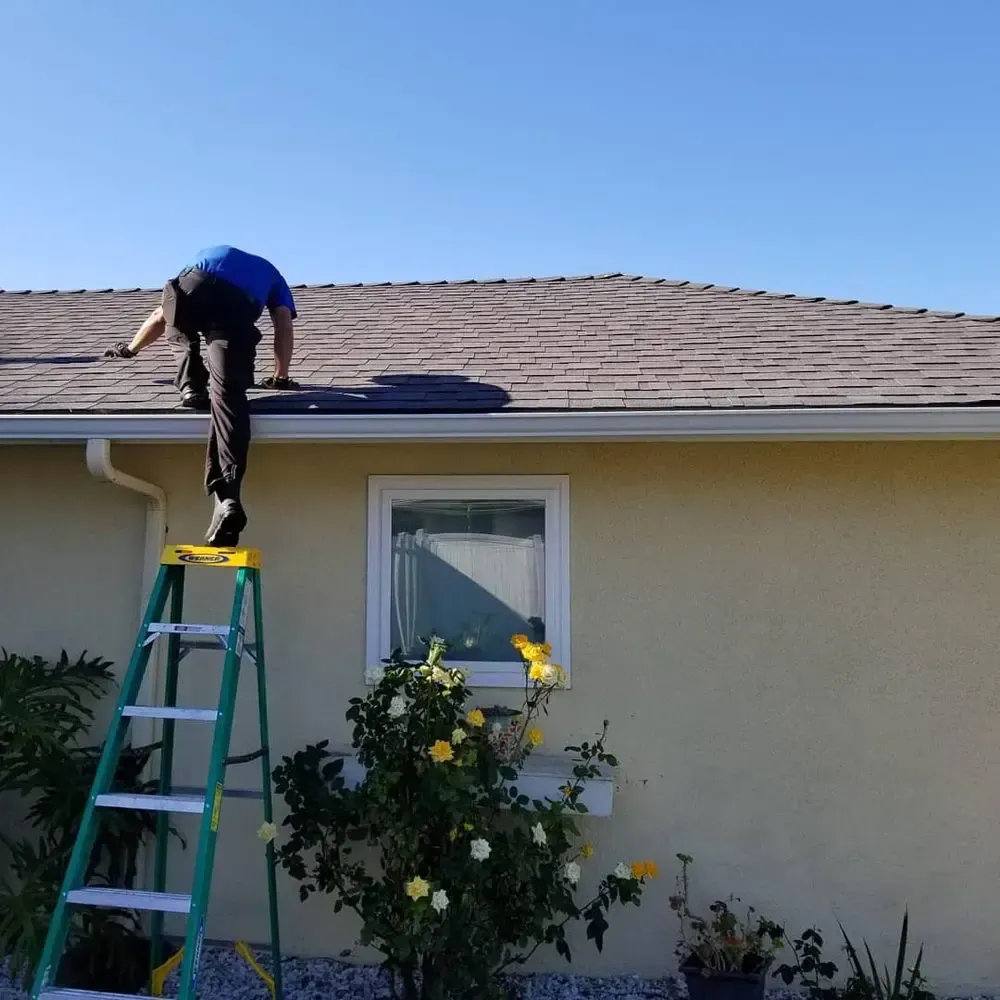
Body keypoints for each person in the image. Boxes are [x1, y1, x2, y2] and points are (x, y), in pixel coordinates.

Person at [103, 245, 298, 547]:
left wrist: (129, 349)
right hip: (237, 307)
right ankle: (229, 497)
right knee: (229, 398)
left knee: (177, 323)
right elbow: (283, 324)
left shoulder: (216, 256)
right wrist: (280, 377)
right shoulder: (275, 278)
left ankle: (191, 385)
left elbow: (161, 315)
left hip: (196, 283)